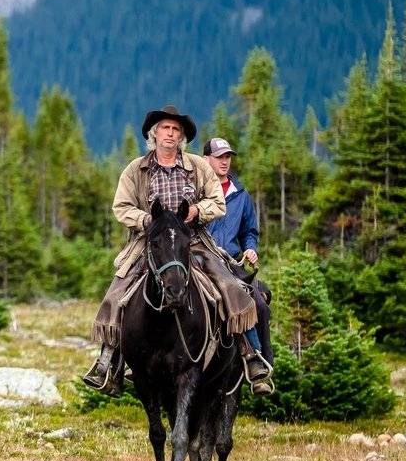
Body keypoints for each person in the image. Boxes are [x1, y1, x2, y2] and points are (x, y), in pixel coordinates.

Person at [81, 105, 273, 396]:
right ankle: (109, 362)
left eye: (176, 130)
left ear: (181, 137)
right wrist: (146, 220)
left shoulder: (198, 166)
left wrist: (197, 210)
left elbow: (218, 203)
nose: (170, 134)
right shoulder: (136, 169)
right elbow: (121, 207)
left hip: (193, 240)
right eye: (165, 129)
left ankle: (251, 355)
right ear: (153, 134)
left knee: (231, 286)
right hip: (150, 241)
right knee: (118, 292)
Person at [202, 137, 272, 366]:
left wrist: (251, 248)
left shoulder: (241, 195)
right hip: (200, 257)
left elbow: (249, 231)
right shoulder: (195, 190)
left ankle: (259, 361)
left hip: (232, 261)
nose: (224, 162)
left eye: (227, 157)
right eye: (219, 157)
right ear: (206, 159)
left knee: (259, 305)